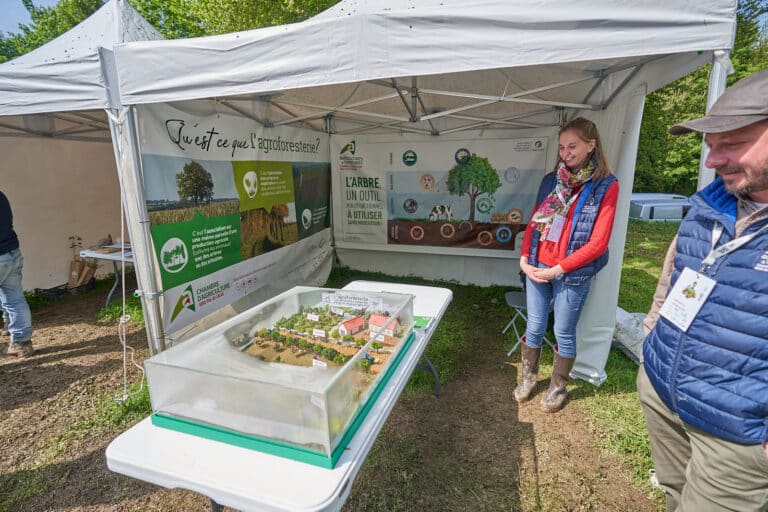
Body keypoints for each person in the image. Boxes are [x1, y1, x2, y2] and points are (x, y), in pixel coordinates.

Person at [639, 68, 768, 511]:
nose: (713, 161)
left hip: (735, 433)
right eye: (711, 146)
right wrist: (651, 340)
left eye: (732, 143)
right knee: (676, 496)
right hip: (664, 394)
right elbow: (674, 272)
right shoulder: (709, 203)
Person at [515, 117, 619, 412]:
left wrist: (559, 269)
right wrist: (525, 258)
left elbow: (598, 243)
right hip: (537, 266)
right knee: (534, 326)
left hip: (570, 274)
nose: (566, 153)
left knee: (563, 331)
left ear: (591, 145)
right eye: (562, 147)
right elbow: (534, 222)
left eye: (572, 146)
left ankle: (558, 387)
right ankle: (528, 378)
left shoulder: (605, 185)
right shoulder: (551, 180)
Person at [0, 191, 34, 357]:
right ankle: (22, 344)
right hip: (12, 253)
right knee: (15, 300)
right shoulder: (1, 196)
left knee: (13, 301)